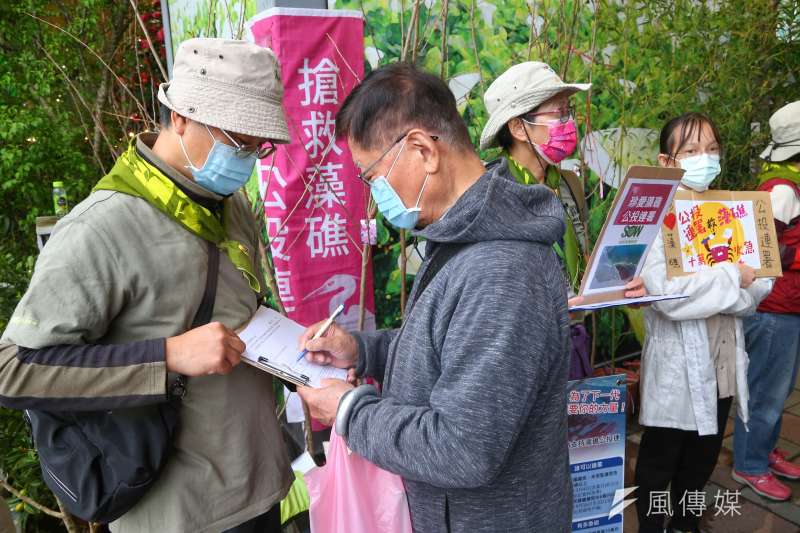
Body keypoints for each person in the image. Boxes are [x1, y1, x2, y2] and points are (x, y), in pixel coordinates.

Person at [0, 39, 294, 532]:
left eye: (256, 145)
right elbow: (13, 370)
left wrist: (297, 356)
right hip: (178, 511)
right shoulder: (101, 228)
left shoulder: (229, 205)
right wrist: (169, 356)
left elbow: (238, 309)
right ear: (180, 117)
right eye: (235, 140)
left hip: (259, 485)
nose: (246, 159)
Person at [297, 63, 572, 532]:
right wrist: (362, 350)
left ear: (422, 150)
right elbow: (445, 351)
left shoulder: (501, 272)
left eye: (372, 176)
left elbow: (463, 449)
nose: (374, 194)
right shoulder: (465, 238)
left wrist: (349, 412)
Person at [633, 112, 773, 533]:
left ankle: (687, 523)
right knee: (661, 462)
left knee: (703, 459)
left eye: (712, 149)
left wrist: (736, 286)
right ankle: (656, 528)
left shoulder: (732, 213)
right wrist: (734, 277)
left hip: (723, 366)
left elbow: (759, 287)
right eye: (691, 151)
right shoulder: (656, 218)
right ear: (666, 161)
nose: (705, 159)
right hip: (676, 369)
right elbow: (668, 294)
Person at [480, 61, 646, 380]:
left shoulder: (568, 183)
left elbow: (581, 263)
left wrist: (619, 285)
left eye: (568, 111)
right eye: (558, 114)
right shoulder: (493, 191)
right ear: (518, 127)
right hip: (523, 351)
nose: (568, 123)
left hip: (573, 338)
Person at [732, 100, 800, 501]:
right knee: (765, 392)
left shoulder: (788, 183)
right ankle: (749, 465)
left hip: (786, 306)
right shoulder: (780, 191)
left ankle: (764, 451)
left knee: (778, 388)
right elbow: (756, 250)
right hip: (774, 309)